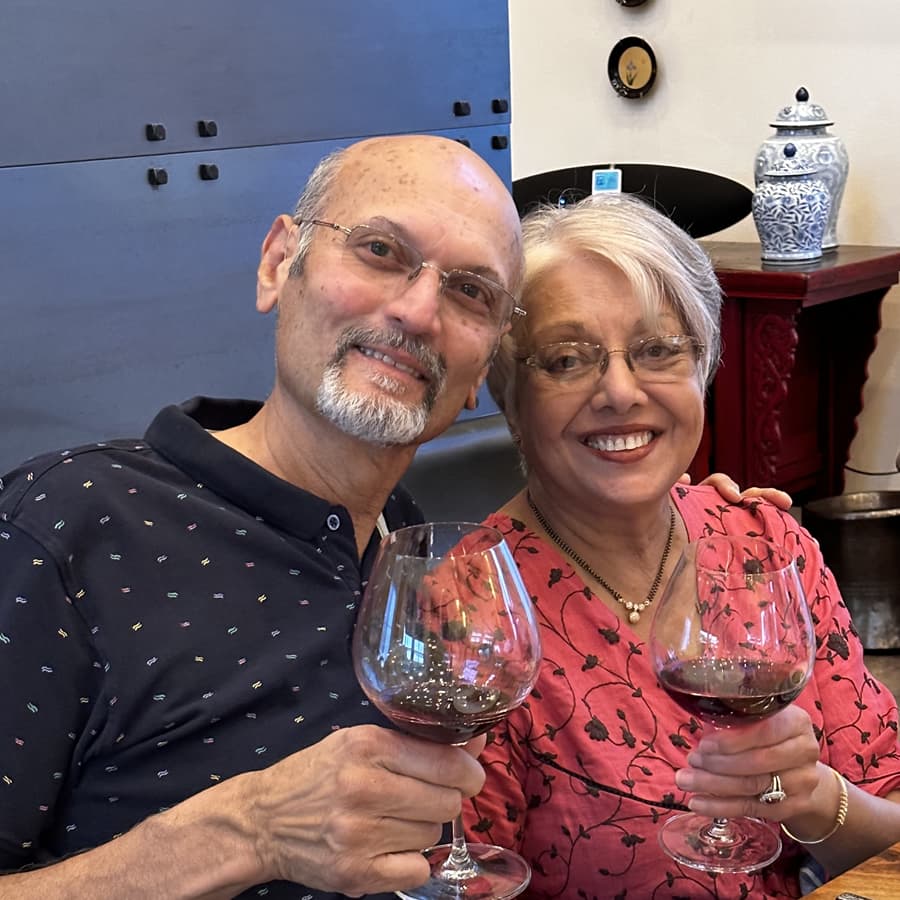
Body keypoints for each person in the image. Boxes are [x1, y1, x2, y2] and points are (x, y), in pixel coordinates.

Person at [0, 133, 786, 899]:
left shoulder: (416, 552)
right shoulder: (66, 526)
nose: (417, 310)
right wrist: (246, 833)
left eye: (471, 291)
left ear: (483, 370)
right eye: (380, 251)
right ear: (280, 262)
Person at [465, 193, 900, 899]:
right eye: (567, 359)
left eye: (658, 349)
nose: (620, 391)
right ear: (510, 393)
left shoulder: (765, 544)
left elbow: (890, 820)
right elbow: (464, 877)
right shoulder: (474, 609)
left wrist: (816, 799)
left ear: (701, 365)